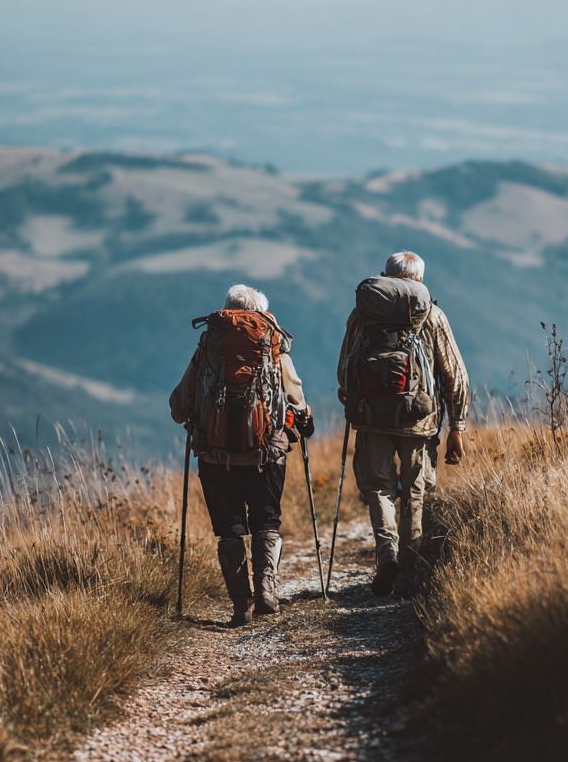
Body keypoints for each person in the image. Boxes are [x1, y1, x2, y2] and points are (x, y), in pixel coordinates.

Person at [170, 284, 313, 626]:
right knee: (267, 521)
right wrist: (303, 421)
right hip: (267, 453)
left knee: (229, 530)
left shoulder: (209, 347)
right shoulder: (273, 345)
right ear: (261, 313)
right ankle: (266, 590)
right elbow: (296, 401)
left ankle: (240, 606)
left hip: (215, 455)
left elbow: (179, 407)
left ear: (227, 311)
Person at [337, 251, 470, 598]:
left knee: (378, 489)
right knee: (415, 493)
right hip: (419, 419)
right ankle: (408, 575)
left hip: (371, 418)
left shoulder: (363, 313)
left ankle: (387, 556)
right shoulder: (431, 315)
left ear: (386, 276)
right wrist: (457, 426)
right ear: (420, 280)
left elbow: (344, 367)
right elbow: (455, 375)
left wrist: (355, 398)